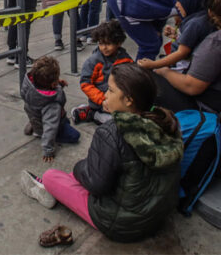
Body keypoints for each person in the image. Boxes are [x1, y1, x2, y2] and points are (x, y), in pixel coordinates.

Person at [20, 63, 183, 242]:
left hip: (122, 224)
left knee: (52, 176)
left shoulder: (111, 132)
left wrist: (79, 168)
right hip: (157, 216)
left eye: (111, 91)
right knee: (96, 166)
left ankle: (45, 187)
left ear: (128, 100)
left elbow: (97, 184)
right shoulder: (165, 122)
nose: (105, 95)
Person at [108, 0, 187, 61]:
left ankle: (147, 70)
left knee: (156, 39)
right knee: (150, 45)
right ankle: (139, 74)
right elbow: (190, 37)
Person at [138, 0, 215, 71]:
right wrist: (176, 36)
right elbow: (193, 42)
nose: (176, 4)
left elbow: (181, 53)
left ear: (191, 0)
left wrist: (153, 64)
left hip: (183, 69)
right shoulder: (200, 17)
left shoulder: (195, 24)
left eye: (179, 0)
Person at [72, 20, 133, 125]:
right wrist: (102, 100)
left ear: (119, 43)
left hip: (119, 101)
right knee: (115, 123)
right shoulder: (94, 61)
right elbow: (85, 84)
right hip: (101, 103)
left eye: (108, 44)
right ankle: (93, 114)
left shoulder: (125, 58)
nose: (104, 47)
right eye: (101, 43)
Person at [20, 56, 81, 162]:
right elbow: (50, 127)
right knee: (75, 135)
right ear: (53, 84)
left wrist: (59, 84)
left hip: (35, 115)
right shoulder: (52, 104)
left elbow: (46, 87)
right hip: (48, 126)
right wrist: (48, 150)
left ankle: (35, 125)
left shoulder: (30, 87)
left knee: (45, 117)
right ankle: (39, 132)